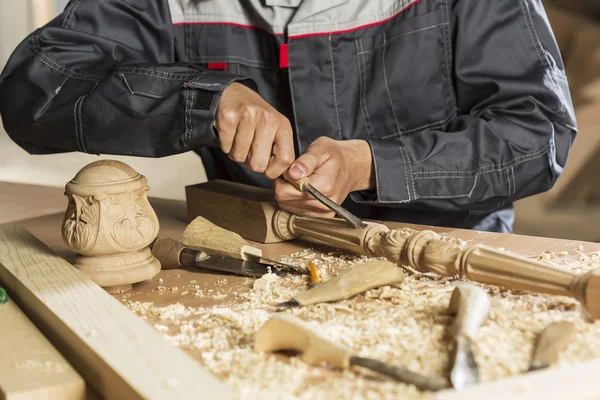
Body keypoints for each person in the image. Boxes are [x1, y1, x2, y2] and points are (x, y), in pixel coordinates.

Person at [0, 0, 576, 233]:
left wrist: (371, 164)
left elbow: (537, 132)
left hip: (448, 262)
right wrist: (206, 98)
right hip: (248, 260)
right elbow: (34, 93)